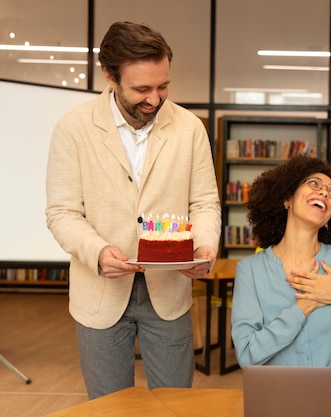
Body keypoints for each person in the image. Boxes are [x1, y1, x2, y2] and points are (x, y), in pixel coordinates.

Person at [45, 21, 221, 399]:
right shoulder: (73, 128)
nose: (155, 99)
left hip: (170, 293)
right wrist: (97, 252)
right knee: (108, 406)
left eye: (163, 86)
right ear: (109, 76)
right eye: (142, 89)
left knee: (177, 404)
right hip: (100, 295)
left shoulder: (190, 128)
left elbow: (204, 202)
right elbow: (62, 213)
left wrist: (205, 246)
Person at [231, 156, 331, 367]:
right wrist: (305, 304)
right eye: (314, 184)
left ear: (330, 217)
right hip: (282, 394)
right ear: (287, 199)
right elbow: (247, 355)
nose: (324, 193)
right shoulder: (250, 270)